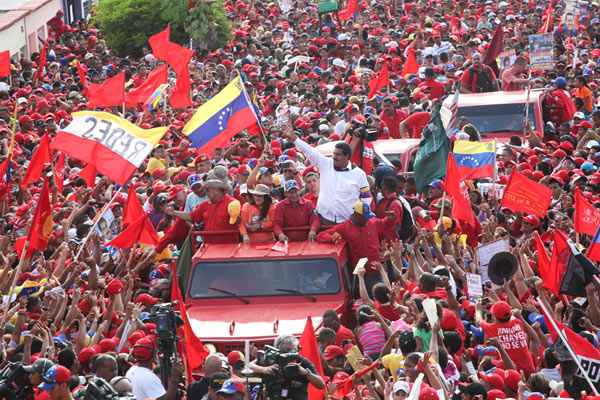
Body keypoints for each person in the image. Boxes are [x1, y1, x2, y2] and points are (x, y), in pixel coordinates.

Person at [283, 124, 371, 224]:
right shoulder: (326, 163)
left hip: (347, 222)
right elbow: (309, 151)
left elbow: (367, 197)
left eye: (338, 155)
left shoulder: (359, 174)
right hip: (324, 219)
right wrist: (294, 138)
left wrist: (360, 214)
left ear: (347, 156)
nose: (334, 157)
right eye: (334, 153)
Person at [317, 201, 395, 291]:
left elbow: (386, 227)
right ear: (357, 216)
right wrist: (332, 238)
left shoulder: (373, 222)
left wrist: (391, 220)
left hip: (376, 270)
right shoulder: (345, 227)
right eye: (365, 217)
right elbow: (321, 235)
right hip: (360, 273)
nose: (367, 219)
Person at [249, 334, 325, 400]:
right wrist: (264, 369)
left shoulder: (302, 362)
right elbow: (249, 366)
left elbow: (321, 385)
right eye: (286, 352)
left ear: (298, 349)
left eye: (294, 352)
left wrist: (305, 372)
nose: (290, 355)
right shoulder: (272, 359)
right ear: (277, 351)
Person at [165, 179, 240, 244]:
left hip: (229, 246)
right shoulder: (205, 205)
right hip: (209, 247)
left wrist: (236, 217)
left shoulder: (232, 203)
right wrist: (174, 213)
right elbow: (191, 216)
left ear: (216, 190)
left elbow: (240, 221)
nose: (206, 193)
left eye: (208, 191)